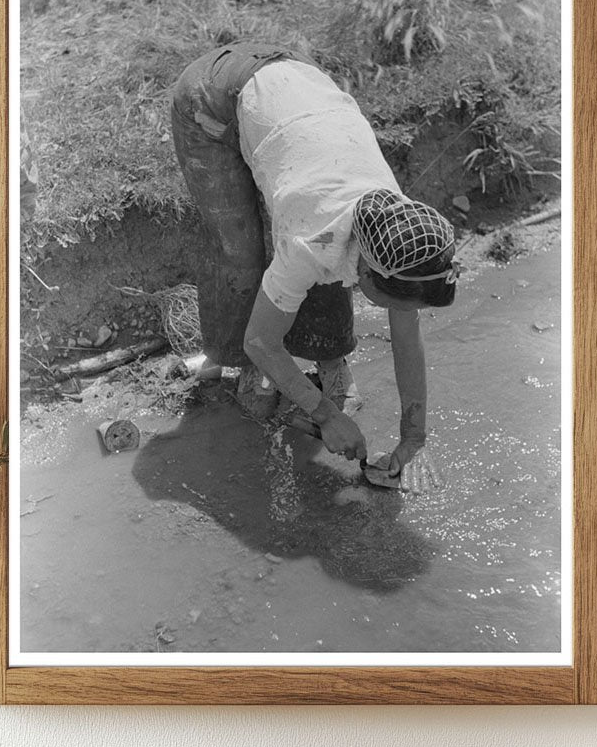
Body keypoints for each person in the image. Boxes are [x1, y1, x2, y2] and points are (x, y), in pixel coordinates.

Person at [170, 42, 457, 490]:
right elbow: (261, 340)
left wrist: (414, 439)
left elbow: (407, 337)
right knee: (240, 252)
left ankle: (327, 356)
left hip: (299, 85)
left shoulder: (397, 231)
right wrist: (327, 416)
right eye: (390, 300)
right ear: (366, 271)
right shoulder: (313, 240)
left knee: (322, 271)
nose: (400, 311)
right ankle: (241, 370)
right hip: (216, 94)